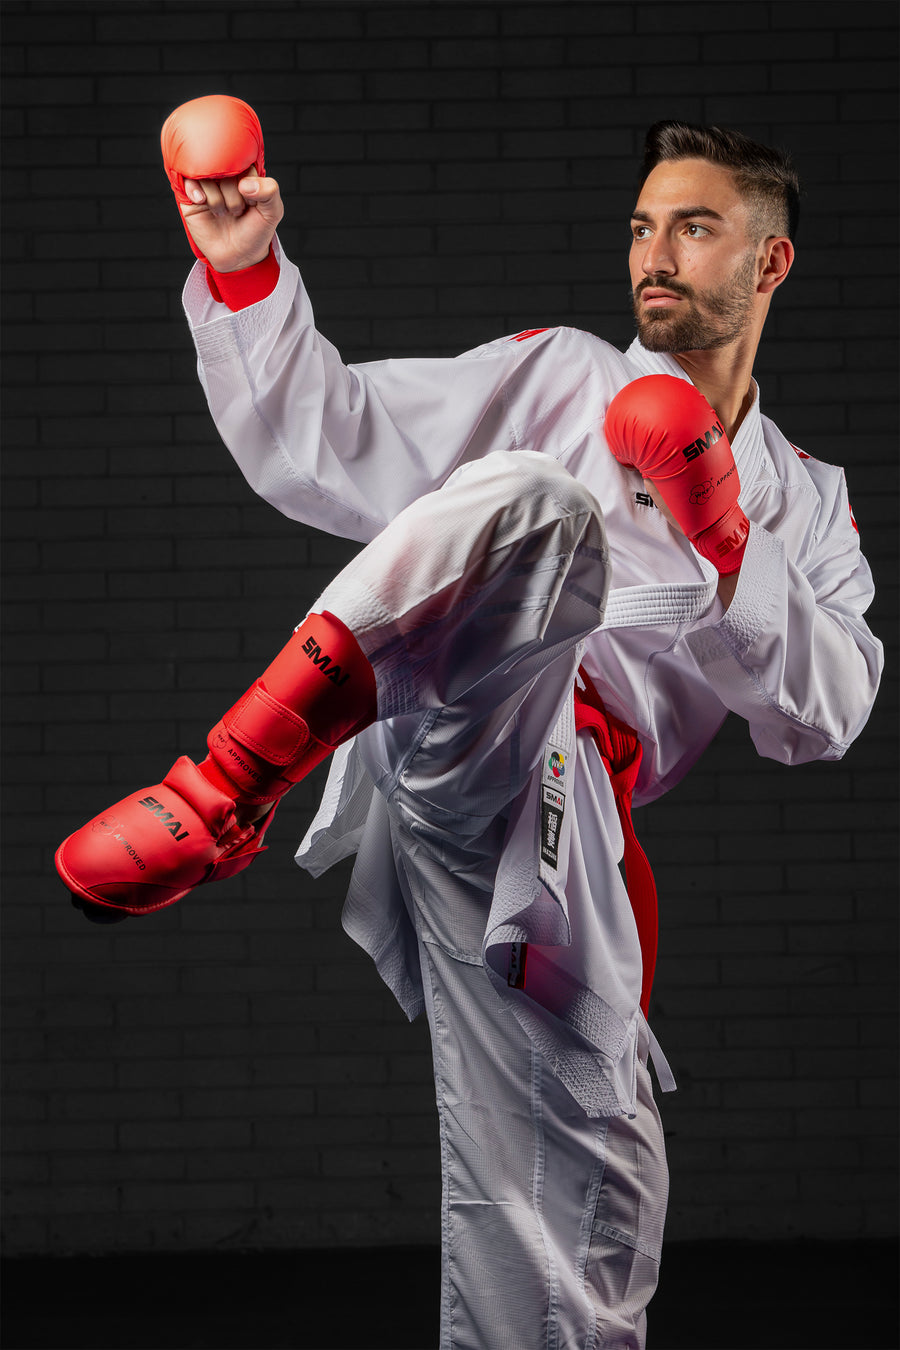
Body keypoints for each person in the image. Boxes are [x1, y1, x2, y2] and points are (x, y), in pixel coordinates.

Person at [56, 99, 883, 1348]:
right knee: (535, 499)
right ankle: (227, 787)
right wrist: (242, 270)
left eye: (696, 229)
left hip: (576, 820)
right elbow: (331, 443)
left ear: (768, 261)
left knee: (586, 1188)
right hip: (461, 715)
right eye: (643, 227)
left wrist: (726, 538)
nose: (655, 254)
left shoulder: (808, 503)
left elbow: (829, 712)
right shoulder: (563, 372)